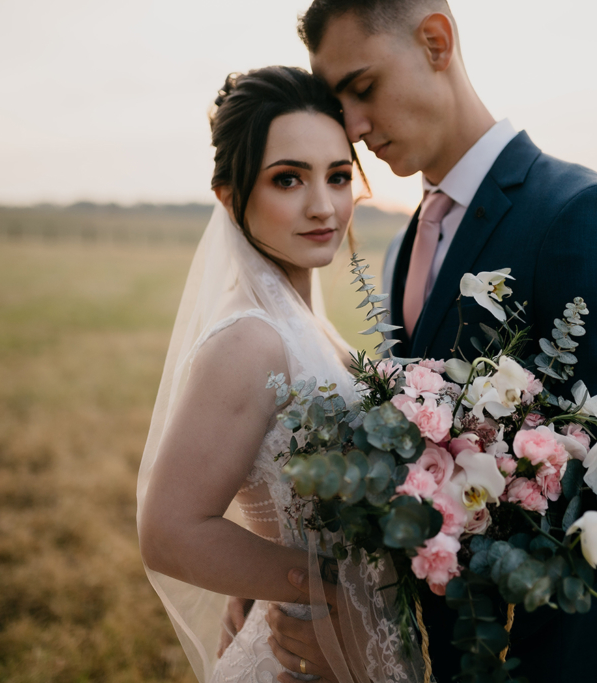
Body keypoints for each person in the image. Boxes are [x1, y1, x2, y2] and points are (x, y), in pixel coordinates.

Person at [264, 2, 597, 682]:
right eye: (339, 104)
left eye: (363, 88)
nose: (355, 127)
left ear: (436, 39)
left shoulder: (588, 213)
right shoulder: (402, 249)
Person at [136, 65, 425, 683]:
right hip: (302, 656)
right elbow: (168, 530)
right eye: (288, 179)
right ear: (230, 195)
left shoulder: (305, 327)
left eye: (339, 176)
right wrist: (322, 586)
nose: (323, 206)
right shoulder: (250, 340)